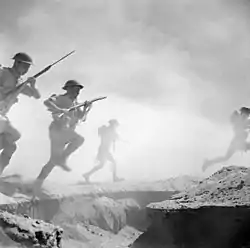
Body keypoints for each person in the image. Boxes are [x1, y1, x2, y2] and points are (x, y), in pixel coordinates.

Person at [35, 80, 92, 185]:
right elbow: (47, 102)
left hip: (67, 132)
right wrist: (60, 110)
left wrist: (86, 109)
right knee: (78, 140)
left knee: (54, 160)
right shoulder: (60, 98)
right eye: (75, 89)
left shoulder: (76, 103)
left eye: (78, 90)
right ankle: (61, 160)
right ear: (68, 89)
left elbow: (81, 118)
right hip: (57, 130)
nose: (77, 92)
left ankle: (39, 181)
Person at [0, 53, 40, 175]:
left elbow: (36, 96)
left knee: (13, 141)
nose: (26, 70)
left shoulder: (20, 82)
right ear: (16, 63)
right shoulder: (3, 72)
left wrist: (33, 85)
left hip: (2, 115)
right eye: (25, 66)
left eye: (28, 68)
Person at [202, 107, 250, 172]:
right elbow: (241, 126)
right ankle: (208, 162)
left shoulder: (241, 120)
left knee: (225, 157)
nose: (247, 116)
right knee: (225, 157)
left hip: (237, 142)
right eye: (247, 114)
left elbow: (244, 125)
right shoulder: (241, 120)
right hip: (237, 142)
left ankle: (208, 162)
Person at [83, 119, 124, 183]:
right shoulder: (109, 131)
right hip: (104, 149)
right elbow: (112, 138)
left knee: (101, 165)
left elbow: (114, 138)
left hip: (103, 149)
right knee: (113, 162)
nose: (116, 126)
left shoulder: (108, 130)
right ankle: (114, 177)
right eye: (115, 125)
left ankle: (87, 175)